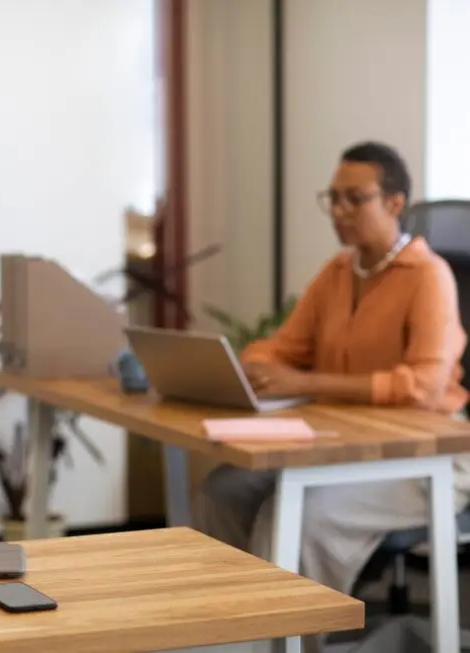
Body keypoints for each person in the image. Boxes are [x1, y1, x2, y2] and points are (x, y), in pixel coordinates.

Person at [193, 141, 469, 651]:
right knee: (223, 491)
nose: (339, 212)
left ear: (394, 202)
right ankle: (233, 632)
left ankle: (287, 642)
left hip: (427, 456)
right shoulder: (337, 274)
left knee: (301, 516)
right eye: (333, 198)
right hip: (340, 441)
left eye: (354, 199)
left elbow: (422, 386)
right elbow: (283, 347)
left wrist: (306, 383)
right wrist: (255, 364)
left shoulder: (430, 277)